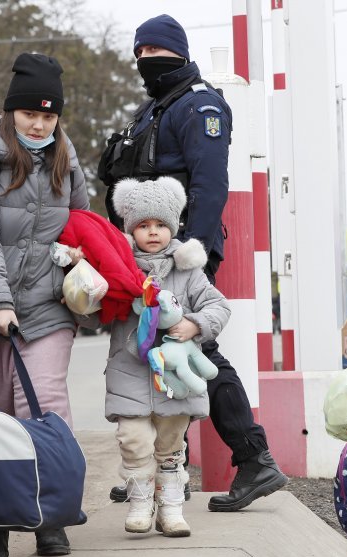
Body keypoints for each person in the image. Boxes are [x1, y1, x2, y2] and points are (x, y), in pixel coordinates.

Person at [98, 14, 287, 512]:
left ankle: (253, 457)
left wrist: (193, 253)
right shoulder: (155, 108)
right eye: (139, 55)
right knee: (156, 355)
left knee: (197, 349)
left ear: (178, 53)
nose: (146, 63)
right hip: (149, 256)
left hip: (182, 255)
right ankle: (169, 472)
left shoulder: (198, 105)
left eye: (155, 54)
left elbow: (209, 184)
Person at [0, 53, 90, 557]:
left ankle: (51, 512)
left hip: (47, 305)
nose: (39, 124)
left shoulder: (64, 158)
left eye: (49, 117)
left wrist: (78, 257)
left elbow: (82, 222)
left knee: (45, 405)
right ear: (10, 113)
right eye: (30, 113)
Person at [96, 176, 230, 536]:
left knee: (170, 445)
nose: (152, 232)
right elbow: (95, 312)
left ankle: (171, 508)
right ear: (129, 228)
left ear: (173, 226)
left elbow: (218, 305)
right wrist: (92, 292)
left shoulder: (188, 270)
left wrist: (194, 324)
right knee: (133, 439)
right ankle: (141, 501)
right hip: (130, 370)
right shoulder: (117, 267)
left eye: (160, 224)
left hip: (175, 378)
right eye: (143, 225)